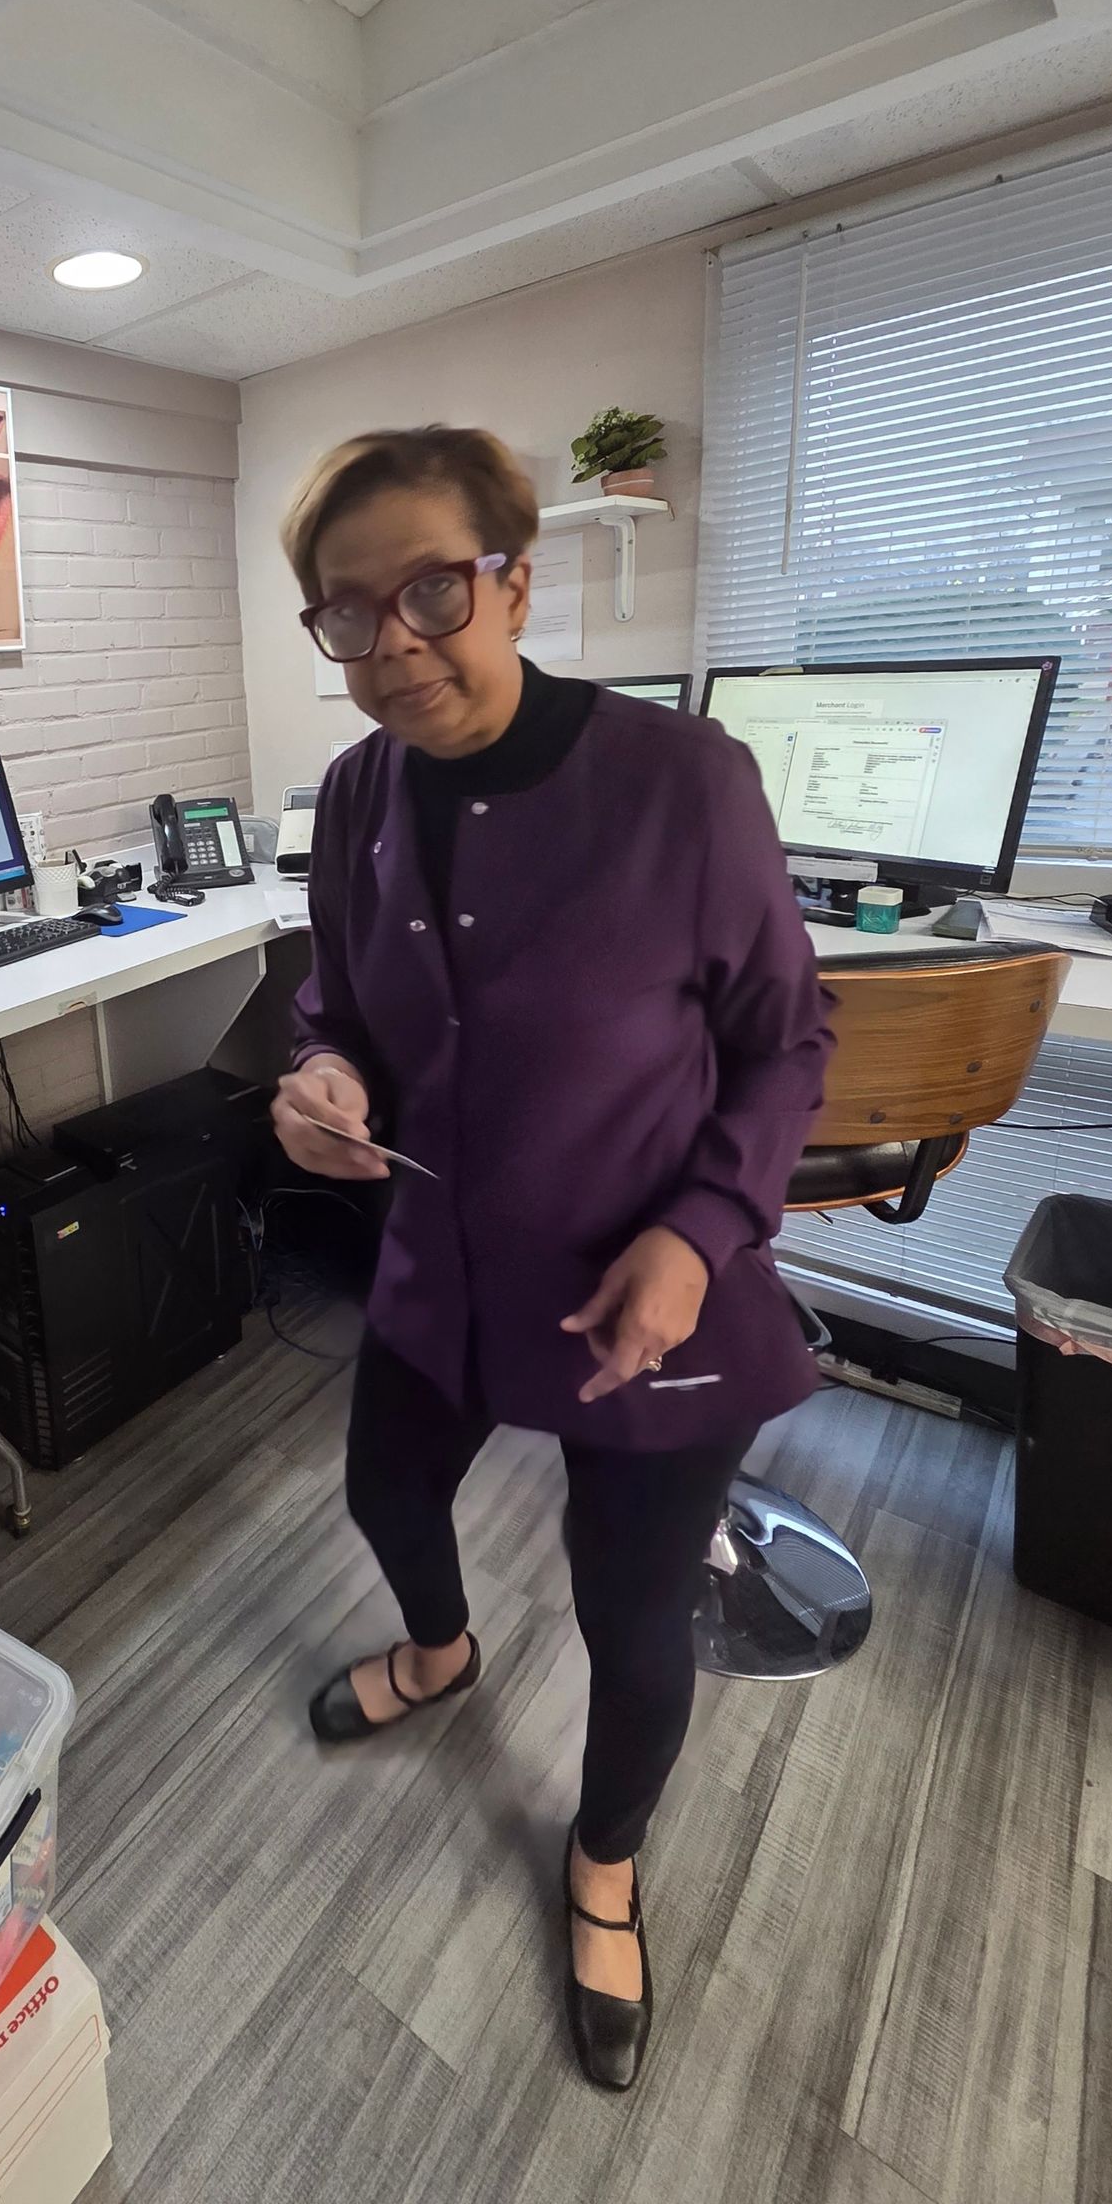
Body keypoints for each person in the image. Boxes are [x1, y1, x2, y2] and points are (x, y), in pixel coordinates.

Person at [274, 425, 831, 2091]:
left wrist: (703, 1230)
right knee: (386, 1488)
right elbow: (341, 1006)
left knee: (631, 1607)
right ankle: (442, 1651)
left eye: (432, 590)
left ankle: (602, 1863)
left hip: (648, 1291)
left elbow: (786, 1042)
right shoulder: (359, 791)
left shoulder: (683, 782)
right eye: (347, 614)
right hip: (443, 1256)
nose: (394, 646)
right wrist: (325, 1079)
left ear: (516, 578)